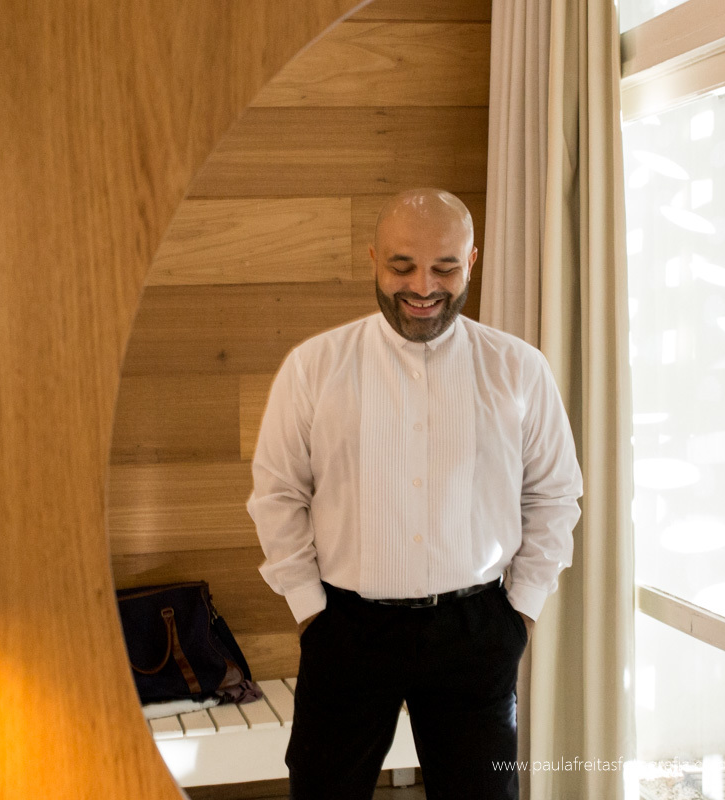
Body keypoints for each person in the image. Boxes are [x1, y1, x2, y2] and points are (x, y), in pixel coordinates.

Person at [246, 188, 582, 800]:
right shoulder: (313, 367)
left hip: (478, 630)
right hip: (345, 629)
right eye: (402, 266)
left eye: (444, 267)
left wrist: (522, 612)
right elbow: (277, 493)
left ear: (472, 262)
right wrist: (309, 610)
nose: (423, 285)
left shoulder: (520, 369)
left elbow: (555, 496)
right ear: (374, 259)